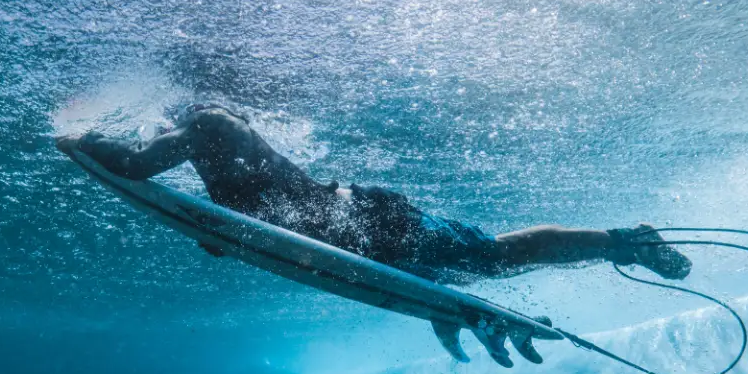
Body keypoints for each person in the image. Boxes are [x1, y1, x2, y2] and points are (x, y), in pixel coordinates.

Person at [55, 103, 691, 284]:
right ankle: (618, 245)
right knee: (477, 272)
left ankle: (627, 242)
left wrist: (81, 138)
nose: (165, 132)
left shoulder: (211, 127)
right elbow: (246, 228)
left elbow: (136, 166)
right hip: (352, 233)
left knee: (492, 257)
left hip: (366, 220)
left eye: (167, 122)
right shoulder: (213, 154)